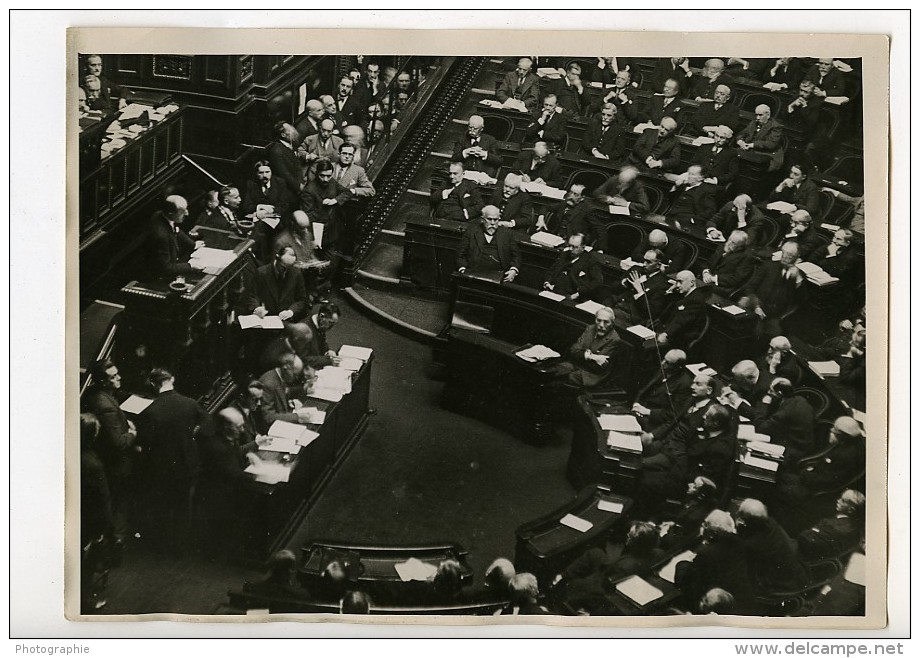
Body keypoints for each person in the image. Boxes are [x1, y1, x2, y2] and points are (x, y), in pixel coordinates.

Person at [137, 368, 209, 551]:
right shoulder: (191, 404)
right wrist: (192, 434)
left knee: (163, 504)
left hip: (163, 467)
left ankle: (162, 543)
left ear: (153, 384)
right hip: (188, 463)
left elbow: (146, 442)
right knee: (184, 505)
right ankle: (180, 546)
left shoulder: (151, 411)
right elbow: (208, 426)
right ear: (172, 380)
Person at [82, 359, 138, 552]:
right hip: (116, 464)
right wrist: (132, 433)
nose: (119, 378)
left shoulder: (93, 394)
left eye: (117, 374)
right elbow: (118, 443)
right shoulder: (105, 405)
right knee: (119, 503)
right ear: (103, 382)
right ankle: (116, 545)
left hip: (102, 459)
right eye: (113, 376)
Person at [559, 520, 664, 615]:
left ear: (634, 542)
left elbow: (605, 580)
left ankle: (562, 579)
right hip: (632, 575)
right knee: (595, 554)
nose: (627, 536)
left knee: (592, 555)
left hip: (607, 587)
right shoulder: (659, 553)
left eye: (630, 536)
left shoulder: (624, 565)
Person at [640, 404, 736, 501]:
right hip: (678, 467)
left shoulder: (720, 449)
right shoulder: (710, 432)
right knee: (642, 471)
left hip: (685, 483)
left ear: (716, 423)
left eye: (707, 416)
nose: (703, 417)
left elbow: (704, 476)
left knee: (644, 481)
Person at [673, 510, 757, 614]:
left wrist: (682, 564)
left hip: (715, 604)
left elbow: (687, 584)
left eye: (705, 525)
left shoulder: (706, 554)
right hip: (740, 602)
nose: (703, 527)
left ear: (712, 532)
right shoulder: (742, 544)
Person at [734, 499, 809, 593]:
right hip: (796, 578)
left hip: (779, 587)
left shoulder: (752, 545)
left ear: (746, 518)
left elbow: (749, 572)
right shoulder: (771, 523)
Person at [241, 244, 312, 344]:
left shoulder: (296, 274)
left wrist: (290, 311)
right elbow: (252, 296)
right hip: (265, 320)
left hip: (285, 322)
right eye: (283, 267)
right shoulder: (262, 273)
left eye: (289, 268)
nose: (285, 271)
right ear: (277, 258)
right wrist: (257, 308)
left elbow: (302, 300)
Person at [80, 412, 114, 611]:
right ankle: (85, 602)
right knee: (87, 564)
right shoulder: (94, 465)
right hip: (90, 522)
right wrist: (103, 529)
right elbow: (102, 499)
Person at [738, 241, 805, 338]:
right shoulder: (769, 266)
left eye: (789, 255)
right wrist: (756, 306)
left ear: (797, 257)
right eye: (783, 253)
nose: (784, 257)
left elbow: (801, 300)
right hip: (756, 305)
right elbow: (750, 287)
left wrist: (798, 279)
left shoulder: (799, 276)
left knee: (771, 334)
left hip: (774, 315)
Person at [556, 306, 628, 389]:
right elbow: (573, 350)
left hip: (591, 375)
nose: (601, 325)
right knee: (556, 370)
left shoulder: (614, 339)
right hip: (576, 365)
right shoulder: (590, 328)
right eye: (598, 320)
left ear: (612, 323)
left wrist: (582, 354)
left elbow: (596, 367)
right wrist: (591, 356)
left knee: (564, 380)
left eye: (606, 322)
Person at [750, 377, 816, 464]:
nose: (769, 393)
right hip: (804, 446)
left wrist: (764, 404)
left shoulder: (784, 413)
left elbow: (760, 427)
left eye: (771, 391)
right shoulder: (800, 400)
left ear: (779, 393)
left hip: (790, 453)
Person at [143, 194, 205, 279]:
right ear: (171, 213)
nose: (187, 213)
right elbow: (166, 268)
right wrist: (190, 266)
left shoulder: (161, 215)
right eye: (182, 211)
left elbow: (176, 230)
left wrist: (193, 244)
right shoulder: (162, 236)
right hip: (158, 276)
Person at [274, 210, 331, 301]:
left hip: (307, 277)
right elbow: (278, 268)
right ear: (293, 225)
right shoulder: (281, 241)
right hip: (290, 281)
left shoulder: (307, 235)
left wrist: (316, 262)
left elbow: (310, 253)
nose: (305, 231)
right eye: (302, 228)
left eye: (306, 228)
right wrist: (299, 265)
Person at [631, 349, 694, 429]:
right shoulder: (664, 369)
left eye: (667, 363)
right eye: (664, 359)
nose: (662, 363)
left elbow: (673, 413)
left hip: (654, 420)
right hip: (641, 408)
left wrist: (647, 412)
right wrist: (636, 404)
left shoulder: (685, 384)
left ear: (678, 367)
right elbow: (644, 389)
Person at [456, 206, 520, 283]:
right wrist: (463, 269)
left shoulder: (507, 234)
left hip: (499, 276)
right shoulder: (471, 232)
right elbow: (460, 254)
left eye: (495, 220)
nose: (492, 223)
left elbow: (517, 256)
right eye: (489, 219)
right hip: (474, 274)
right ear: (482, 219)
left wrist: (513, 270)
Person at [797, 489, 865, 561]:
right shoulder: (842, 522)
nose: (838, 500)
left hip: (800, 555)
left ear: (850, 510)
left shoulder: (840, 528)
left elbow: (807, 540)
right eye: (840, 498)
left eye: (843, 500)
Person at [609, 248, 672, 326]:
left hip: (631, 315)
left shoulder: (662, 284)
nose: (644, 264)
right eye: (644, 260)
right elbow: (613, 288)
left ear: (658, 265)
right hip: (614, 303)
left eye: (649, 262)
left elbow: (651, 312)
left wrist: (640, 291)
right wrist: (623, 283)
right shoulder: (636, 269)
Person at [299, 159, 349, 256]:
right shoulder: (309, 190)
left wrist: (335, 200)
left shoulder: (332, 182)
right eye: (322, 176)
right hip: (317, 232)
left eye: (328, 176)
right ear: (317, 174)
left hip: (332, 231)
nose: (325, 179)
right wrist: (312, 239)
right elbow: (307, 216)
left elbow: (347, 192)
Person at [259, 353, 317, 426]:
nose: (295, 378)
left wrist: (302, 390)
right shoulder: (268, 383)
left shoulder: (280, 376)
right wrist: (297, 416)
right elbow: (268, 417)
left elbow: (284, 393)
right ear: (286, 367)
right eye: (294, 375)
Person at [656, 270, 708, 350]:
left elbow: (681, 321)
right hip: (668, 331)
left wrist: (666, 334)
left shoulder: (696, 300)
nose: (677, 285)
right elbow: (664, 313)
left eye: (680, 282)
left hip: (678, 340)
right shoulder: (683, 295)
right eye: (676, 282)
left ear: (692, 283)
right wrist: (669, 291)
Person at [543, 233, 603, 301]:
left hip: (573, 297)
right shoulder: (564, 255)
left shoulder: (591, 261)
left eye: (575, 247)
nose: (571, 249)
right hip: (553, 291)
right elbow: (552, 270)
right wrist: (547, 282)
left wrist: (579, 293)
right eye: (569, 246)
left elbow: (597, 282)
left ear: (583, 247)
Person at [700, 229, 756, 294]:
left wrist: (713, 279)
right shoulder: (723, 246)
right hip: (707, 279)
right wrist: (705, 273)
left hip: (722, 287)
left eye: (733, 243)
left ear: (740, 246)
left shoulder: (746, 258)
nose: (729, 243)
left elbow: (735, 279)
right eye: (729, 240)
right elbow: (708, 262)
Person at [666, 164, 718, 230]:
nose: (688, 176)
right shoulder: (683, 185)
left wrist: (693, 220)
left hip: (688, 222)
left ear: (701, 177)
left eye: (692, 174)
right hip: (671, 217)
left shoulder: (706, 190)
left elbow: (710, 210)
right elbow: (671, 199)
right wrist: (676, 187)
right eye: (688, 173)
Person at [736, 104, 785, 171]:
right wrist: (740, 141)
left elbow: (771, 144)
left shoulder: (776, 126)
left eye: (760, 115)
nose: (757, 118)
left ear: (768, 115)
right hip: (749, 150)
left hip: (766, 154)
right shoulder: (754, 122)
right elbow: (742, 133)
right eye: (756, 115)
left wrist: (752, 145)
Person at [691, 124, 739, 190]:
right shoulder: (704, 147)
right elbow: (694, 163)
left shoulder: (731, 153)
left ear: (727, 140)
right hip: (698, 180)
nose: (718, 140)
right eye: (716, 136)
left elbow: (732, 174)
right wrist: (698, 176)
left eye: (722, 138)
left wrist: (715, 180)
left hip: (714, 185)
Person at [266, 121, 305, 196]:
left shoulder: (291, 144)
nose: (294, 131)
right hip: (288, 192)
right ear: (283, 135)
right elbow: (284, 174)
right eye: (290, 130)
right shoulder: (277, 151)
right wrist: (298, 186)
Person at [303, 302, 342, 369]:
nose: (331, 327)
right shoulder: (303, 330)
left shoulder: (320, 324)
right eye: (330, 322)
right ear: (321, 316)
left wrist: (327, 352)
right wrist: (327, 361)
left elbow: (322, 344)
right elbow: (303, 359)